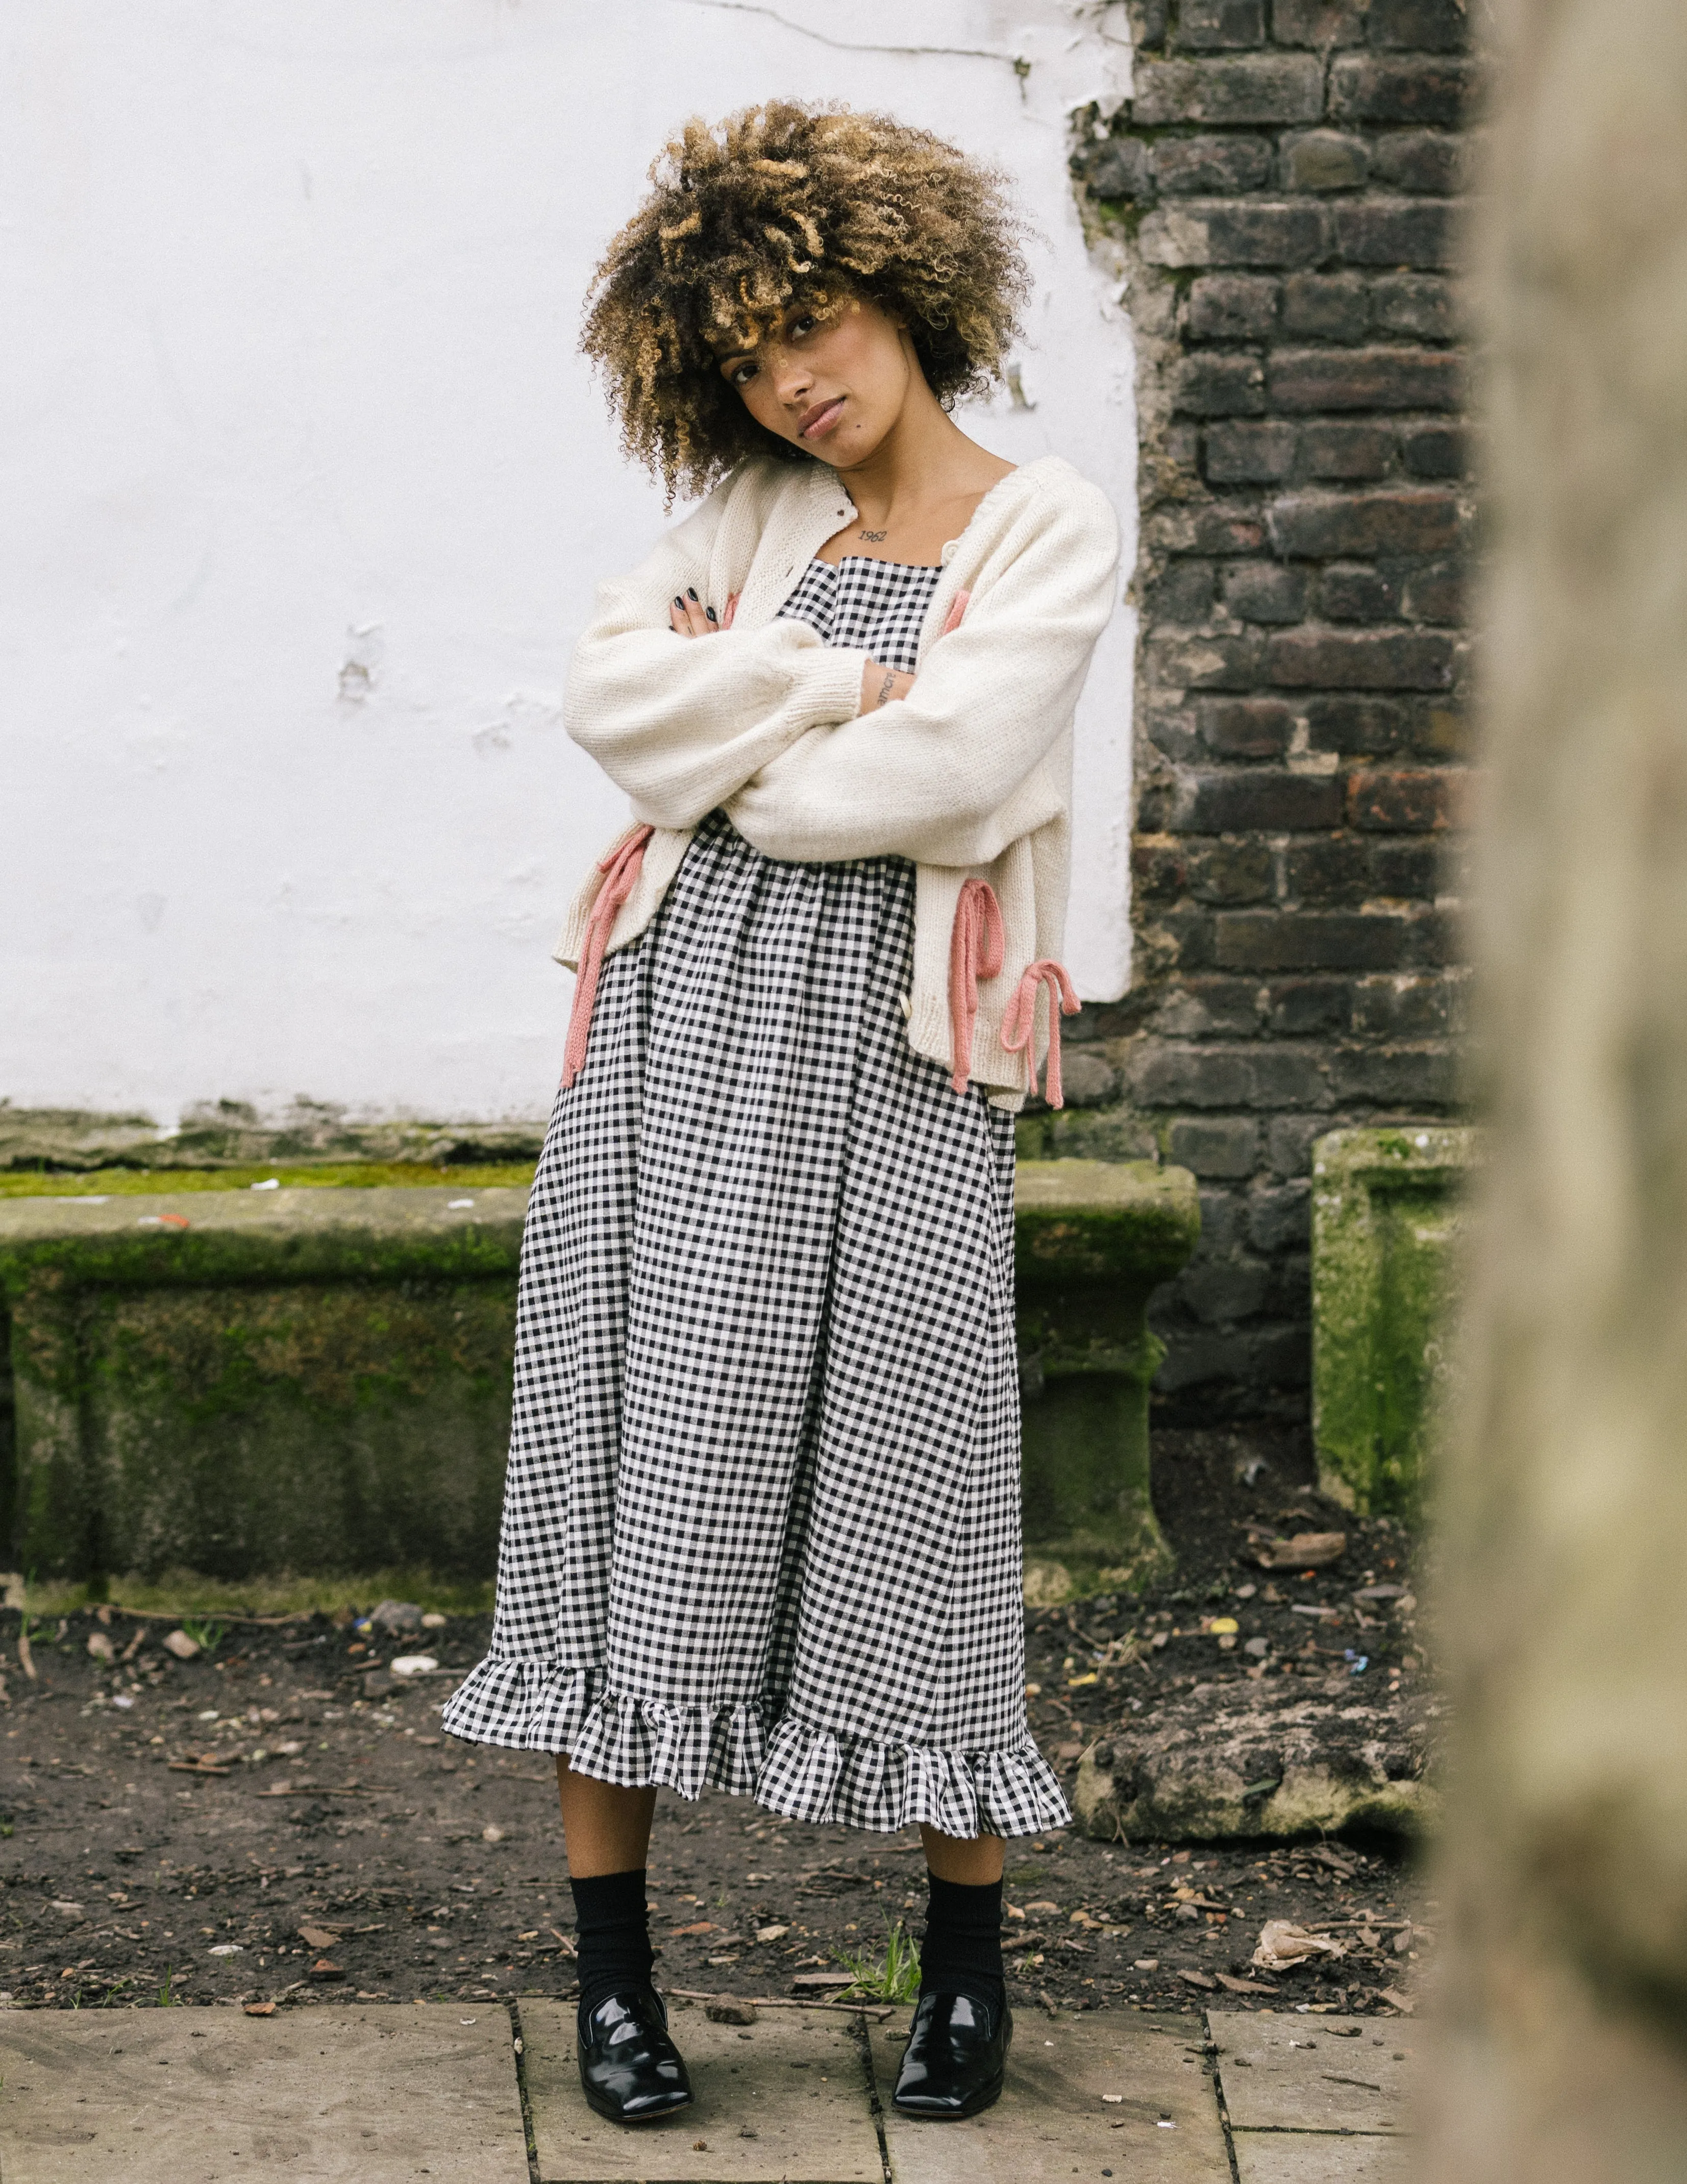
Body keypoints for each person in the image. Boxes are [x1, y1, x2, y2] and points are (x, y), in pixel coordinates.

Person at [443, 99, 1120, 2127]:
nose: (795, 381)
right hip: (669, 1033)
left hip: (901, 1061)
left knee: (916, 1484)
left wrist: (755, 708)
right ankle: (614, 1984)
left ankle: (963, 1969)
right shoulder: (737, 518)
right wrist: (840, 685)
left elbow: (944, 780)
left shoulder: (1043, 524)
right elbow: (607, 702)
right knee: (633, 1471)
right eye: (748, 356)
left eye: (817, 323)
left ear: (904, 291)